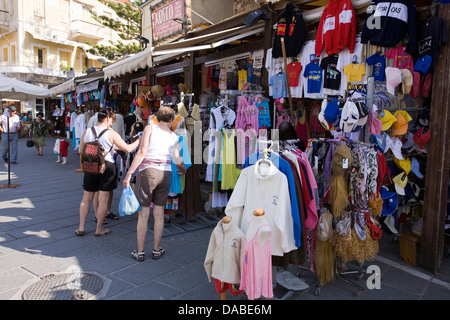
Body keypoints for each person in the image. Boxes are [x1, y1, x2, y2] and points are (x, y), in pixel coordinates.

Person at [123, 106, 186, 261]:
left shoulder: (150, 128)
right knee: (159, 214)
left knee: (143, 214)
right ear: (172, 120)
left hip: (148, 172)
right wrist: (183, 170)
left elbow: (142, 151)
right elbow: (177, 158)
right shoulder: (174, 136)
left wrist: (130, 173)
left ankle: (140, 251)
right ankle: (156, 250)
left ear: (157, 118)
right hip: (165, 174)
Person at [75, 109, 140, 237]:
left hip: (90, 167)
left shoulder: (88, 131)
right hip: (107, 167)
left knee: (86, 199)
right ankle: (99, 229)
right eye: (112, 120)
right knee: (103, 200)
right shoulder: (111, 133)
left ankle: (81, 227)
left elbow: (80, 151)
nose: (112, 123)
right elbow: (127, 149)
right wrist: (139, 140)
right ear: (108, 118)